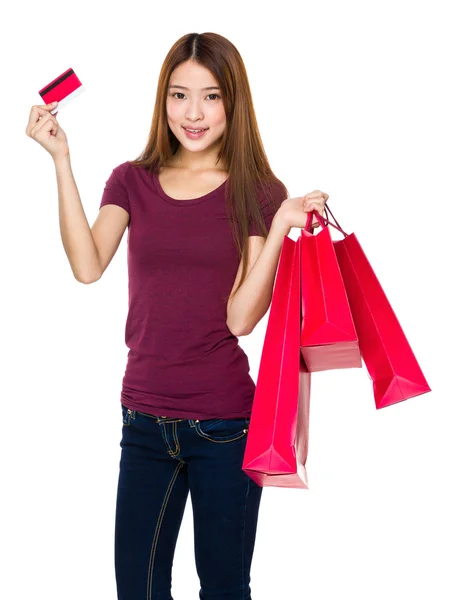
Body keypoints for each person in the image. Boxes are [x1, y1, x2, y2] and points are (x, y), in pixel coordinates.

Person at [26, 31, 328, 600]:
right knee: (137, 589)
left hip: (226, 429)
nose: (193, 113)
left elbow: (242, 318)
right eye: (179, 94)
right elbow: (87, 266)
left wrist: (282, 227)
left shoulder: (259, 192)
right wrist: (62, 160)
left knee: (222, 588)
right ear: (162, 99)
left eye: (211, 97)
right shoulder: (131, 180)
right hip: (142, 421)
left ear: (233, 103)